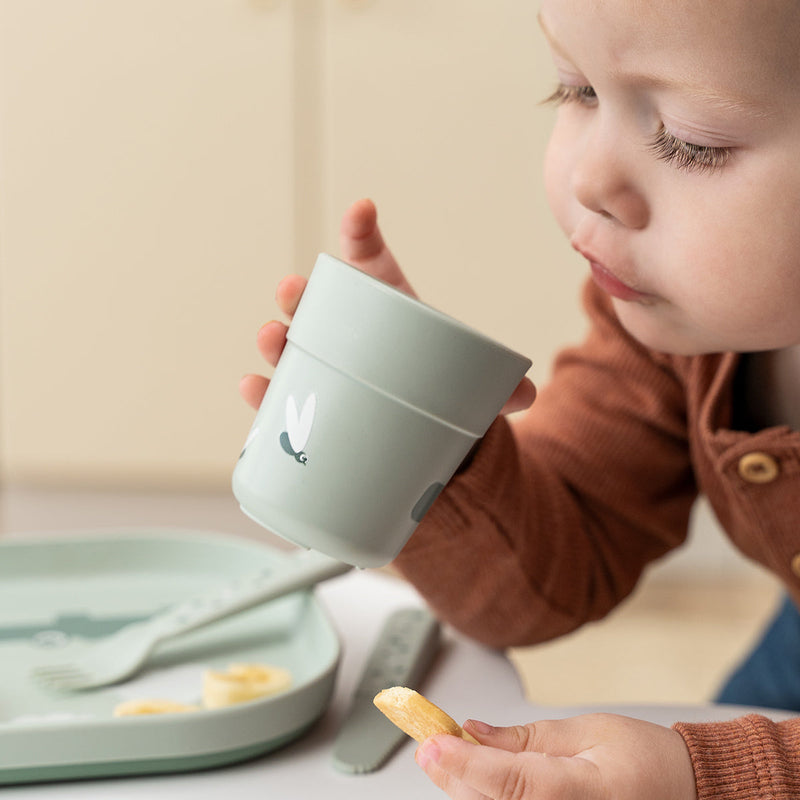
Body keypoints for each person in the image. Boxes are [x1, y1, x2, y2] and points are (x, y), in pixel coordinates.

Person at [240, 0, 800, 796]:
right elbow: (552, 566)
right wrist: (429, 443)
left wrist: (709, 775)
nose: (588, 179)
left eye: (689, 140)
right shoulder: (672, 329)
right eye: (576, 90)